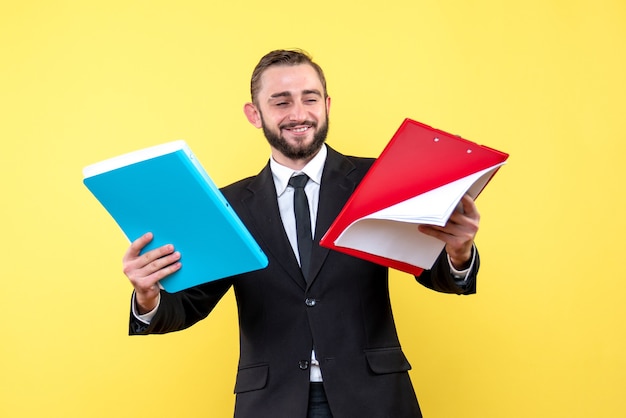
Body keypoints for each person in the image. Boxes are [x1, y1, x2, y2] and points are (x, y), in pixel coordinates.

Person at [123, 49, 480, 418]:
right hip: (271, 403)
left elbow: (436, 273)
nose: (298, 114)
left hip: (374, 398)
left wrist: (458, 254)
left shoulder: (377, 183)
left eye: (309, 99)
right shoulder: (226, 205)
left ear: (326, 104)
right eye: (281, 102)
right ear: (254, 114)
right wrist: (148, 296)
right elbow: (190, 304)